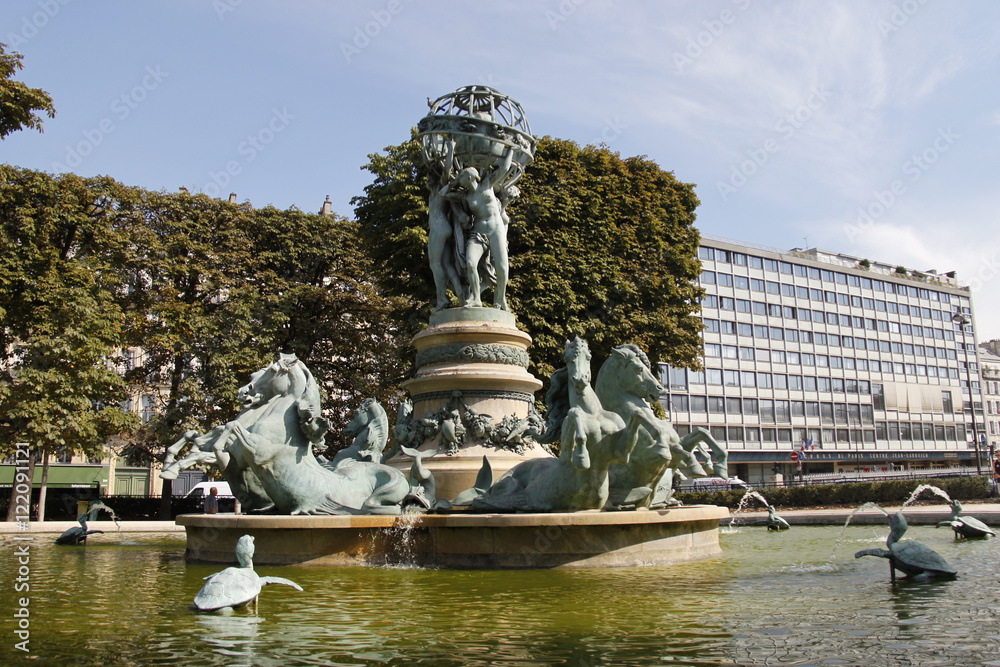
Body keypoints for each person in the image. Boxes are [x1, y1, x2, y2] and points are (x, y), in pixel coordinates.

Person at [440, 148, 515, 310]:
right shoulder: (465, 196)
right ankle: (475, 298)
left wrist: (510, 150)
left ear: (469, 177)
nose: (458, 177)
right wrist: (453, 183)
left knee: (502, 269)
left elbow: (504, 169)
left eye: (460, 176)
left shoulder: (486, 184)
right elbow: (443, 193)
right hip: (478, 233)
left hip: (496, 232)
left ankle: (500, 299)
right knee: (470, 263)